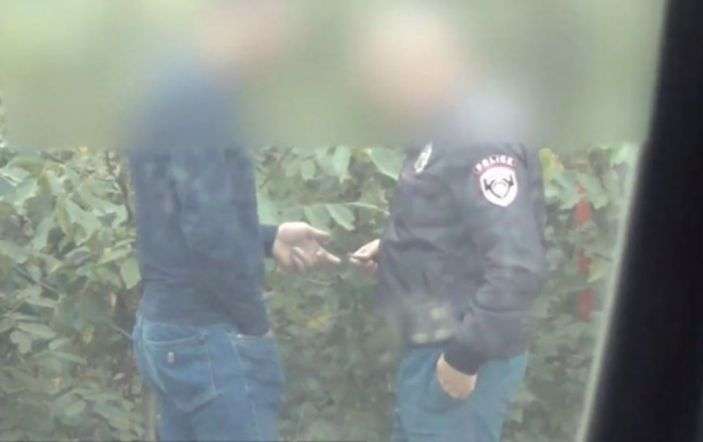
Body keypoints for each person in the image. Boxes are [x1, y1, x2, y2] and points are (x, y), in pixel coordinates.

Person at [126, 3, 339, 441]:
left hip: (171, 326)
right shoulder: (203, 99)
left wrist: (268, 238)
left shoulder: (171, 86)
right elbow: (209, 229)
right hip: (208, 336)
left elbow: (179, 215)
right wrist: (253, 324)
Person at [350, 7, 548, 442]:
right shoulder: (443, 126)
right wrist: (397, 249)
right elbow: (450, 222)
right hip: (431, 348)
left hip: (460, 356)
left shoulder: (480, 136)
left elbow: (517, 265)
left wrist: (464, 357)